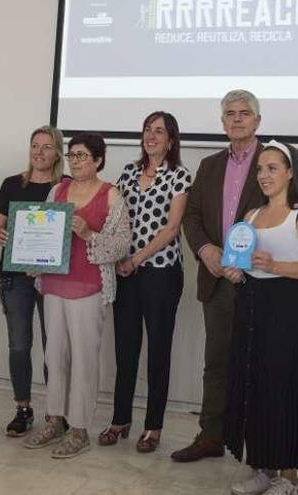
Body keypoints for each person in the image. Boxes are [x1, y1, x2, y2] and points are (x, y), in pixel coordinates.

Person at [222, 141, 298, 495]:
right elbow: (244, 262)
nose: (264, 175)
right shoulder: (251, 216)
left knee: (284, 386)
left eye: (272, 168)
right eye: (260, 169)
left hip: (289, 306)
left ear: (290, 172)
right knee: (254, 386)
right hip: (251, 303)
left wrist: (276, 266)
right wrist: (235, 272)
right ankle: (262, 468)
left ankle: (290, 476)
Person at [23, 132, 130, 458]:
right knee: (54, 357)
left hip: (89, 288)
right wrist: (31, 259)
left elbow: (122, 244)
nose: (77, 161)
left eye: (83, 155)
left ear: (98, 159)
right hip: (54, 285)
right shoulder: (58, 190)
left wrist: (88, 233)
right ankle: (55, 419)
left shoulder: (112, 195)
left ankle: (80, 428)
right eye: (72, 155)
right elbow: (39, 231)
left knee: (84, 360)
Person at [175, 89, 266, 462]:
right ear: (223, 121)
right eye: (230, 113)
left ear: (257, 120)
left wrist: (250, 261)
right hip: (216, 277)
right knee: (216, 364)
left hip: (261, 279)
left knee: (260, 365)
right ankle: (211, 436)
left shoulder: (274, 160)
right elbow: (192, 217)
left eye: (245, 113)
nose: (237, 119)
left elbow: (290, 212)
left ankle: (258, 445)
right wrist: (206, 250)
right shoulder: (210, 164)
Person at [99, 111, 192, 453]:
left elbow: (171, 228)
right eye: (147, 130)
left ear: (171, 139)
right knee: (125, 348)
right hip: (125, 273)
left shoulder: (180, 175)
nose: (151, 136)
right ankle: (119, 420)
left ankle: (153, 427)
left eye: (159, 131)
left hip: (161, 273)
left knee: (158, 352)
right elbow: (116, 220)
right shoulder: (127, 172)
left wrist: (135, 259)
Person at [0, 125, 65, 437]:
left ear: (57, 152)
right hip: (14, 278)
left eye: (47, 147)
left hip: (54, 280)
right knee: (19, 345)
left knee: (55, 348)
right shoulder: (11, 185)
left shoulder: (67, 187)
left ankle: (56, 412)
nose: (39, 152)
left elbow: (69, 236)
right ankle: (23, 408)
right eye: (35, 145)